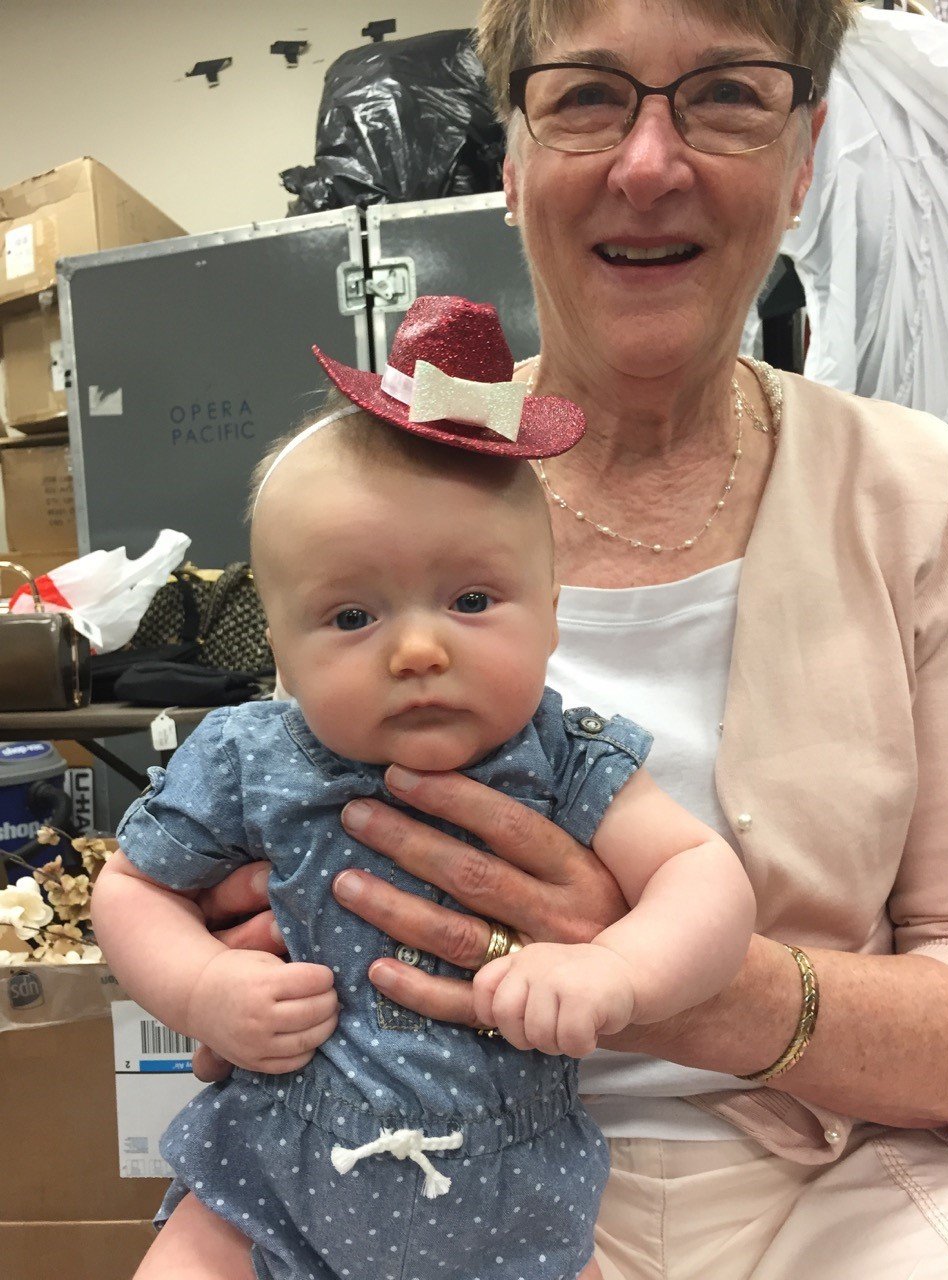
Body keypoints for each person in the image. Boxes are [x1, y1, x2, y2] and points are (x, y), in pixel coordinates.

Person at [185, 2, 948, 1277]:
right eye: (588, 96)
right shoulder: (380, 493)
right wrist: (229, 969)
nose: (649, 164)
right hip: (428, 1172)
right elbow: (259, 873)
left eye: (728, 94)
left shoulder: (922, 497)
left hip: (847, 1186)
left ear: (804, 158)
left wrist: (692, 985)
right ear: (512, 158)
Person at [92, 296, 755, 1280]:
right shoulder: (246, 755)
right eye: (352, 615)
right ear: (279, 648)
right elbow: (132, 886)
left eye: (471, 600)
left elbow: (704, 876)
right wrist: (202, 985)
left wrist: (617, 969)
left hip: (513, 1199)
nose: (416, 649)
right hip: (270, 1177)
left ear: (554, 614)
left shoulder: (566, 756)